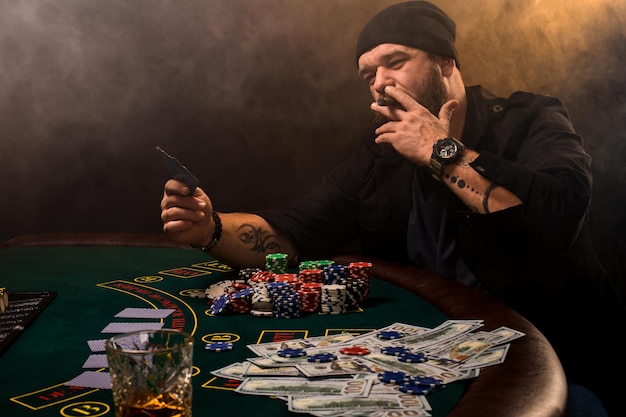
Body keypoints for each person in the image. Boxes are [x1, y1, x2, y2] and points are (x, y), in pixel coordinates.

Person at [160, 2, 624, 415]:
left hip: (558, 365)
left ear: (446, 62)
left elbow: (560, 216)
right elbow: (290, 232)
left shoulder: (533, 118)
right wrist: (211, 228)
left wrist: (441, 151)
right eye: (369, 75)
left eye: (395, 63)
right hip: (434, 365)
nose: (380, 83)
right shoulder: (380, 155)